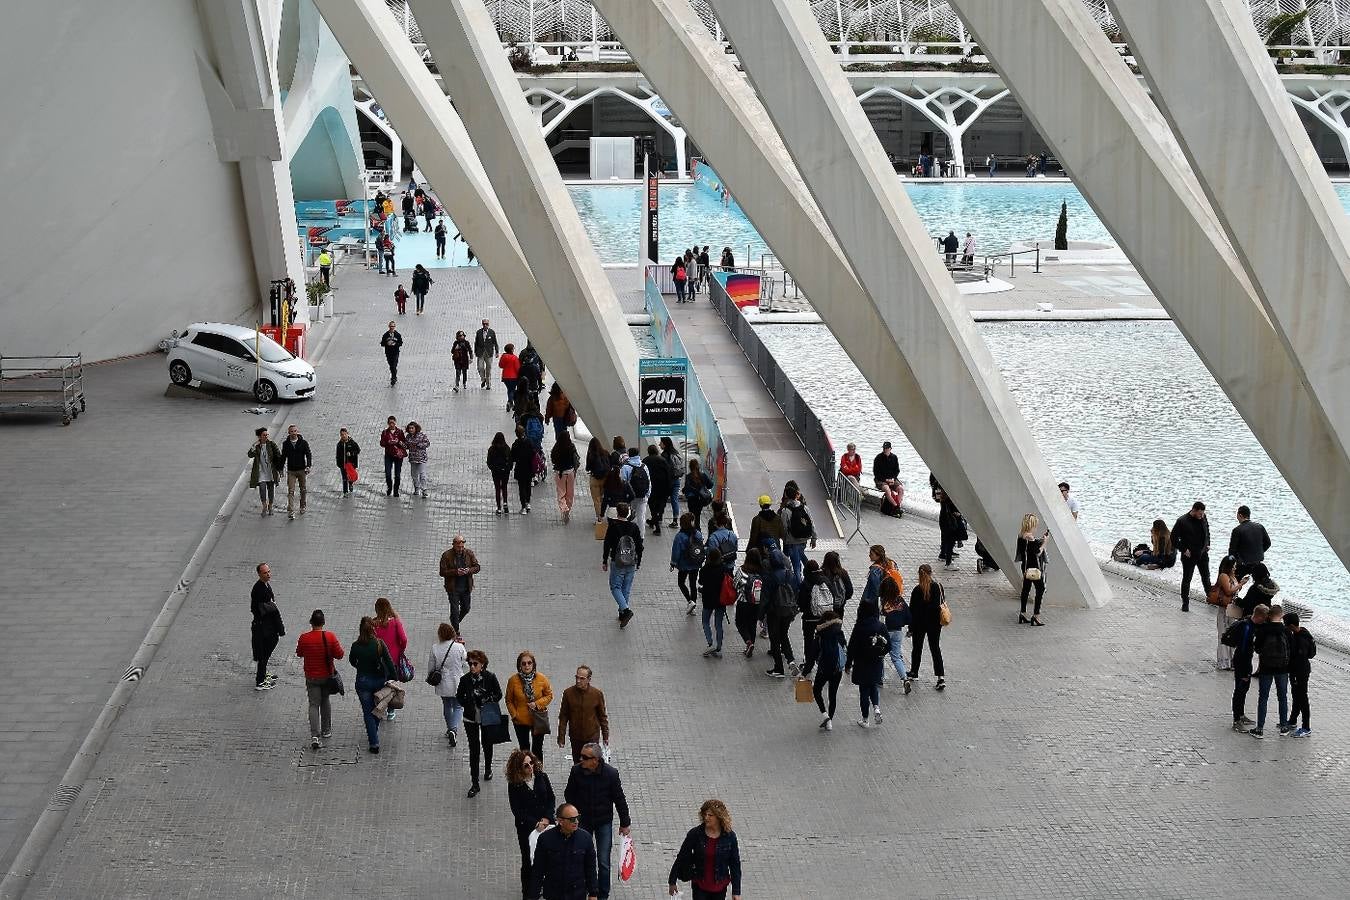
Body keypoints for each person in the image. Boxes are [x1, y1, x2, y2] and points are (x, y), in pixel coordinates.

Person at [565, 742, 631, 900]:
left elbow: (619, 799)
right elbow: (569, 795)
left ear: (596, 759)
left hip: (603, 822)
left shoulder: (611, 774)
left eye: (585, 757)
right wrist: (575, 815)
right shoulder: (576, 771)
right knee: (581, 857)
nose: (581, 760)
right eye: (581, 756)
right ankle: (585, 890)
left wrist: (625, 823)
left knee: (603, 861)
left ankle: (603, 894)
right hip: (583, 822)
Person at [667, 799, 743, 900]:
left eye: (710, 815)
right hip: (700, 885)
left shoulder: (729, 837)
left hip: (720, 887)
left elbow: (735, 864)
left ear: (719, 817)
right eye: (705, 814)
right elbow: (682, 857)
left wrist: (736, 891)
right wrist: (672, 881)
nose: (706, 817)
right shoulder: (695, 834)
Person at [508, 749, 557, 899]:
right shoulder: (515, 785)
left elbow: (551, 798)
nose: (530, 767)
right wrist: (535, 823)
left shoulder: (541, 776)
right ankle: (528, 893)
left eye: (531, 763)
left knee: (551, 858)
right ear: (519, 769)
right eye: (526, 765)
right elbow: (517, 810)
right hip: (527, 829)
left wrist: (547, 818)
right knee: (528, 860)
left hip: (547, 824)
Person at [457, 649, 505, 797]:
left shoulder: (490, 677)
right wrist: (468, 703)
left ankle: (488, 768)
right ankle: (475, 783)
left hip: (487, 716)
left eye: (475, 664)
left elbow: (499, 694)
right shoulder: (465, 680)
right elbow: (459, 696)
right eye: (470, 663)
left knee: (487, 743)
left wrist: (486, 700)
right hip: (470, 718)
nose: (471, 666)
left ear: (482, 665)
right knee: (474, 749)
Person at [295, 609, 343, 749]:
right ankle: (326, 730)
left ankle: (315, 735)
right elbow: (339, 655)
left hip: (311, 676)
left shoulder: (304, 638)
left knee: (313, 704)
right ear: (323, 622)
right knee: (325, 700)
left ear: (311, 622)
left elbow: (299, 653)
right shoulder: (330, 637)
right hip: (327, 676)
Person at [348, 616, 396, 754]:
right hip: (379, 682)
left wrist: (360, 666)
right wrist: (393, 678)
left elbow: (352, 661)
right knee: (377, 709)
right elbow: (389, 662)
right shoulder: (379, 644)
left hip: (363, 681)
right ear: (373, 628)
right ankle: (373, 734)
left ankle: (374, 742)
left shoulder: (356, 646)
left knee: (368, 712)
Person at [530, 803, 597, 900]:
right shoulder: (545, 839)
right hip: (554, 894)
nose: (576, 822)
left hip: (577, 894)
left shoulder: (585, 838)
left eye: (578, 817)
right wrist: (533, 895)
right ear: (560, 821)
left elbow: (590, 868)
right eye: (572, 819)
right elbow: (538, 869)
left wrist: (593, 893)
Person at [1247, 604, 1290, 738]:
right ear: (1281, 615)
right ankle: (1284, 727)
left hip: (1266, 668)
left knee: (1263, 697)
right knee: (1282, 697)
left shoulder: (1263, 629)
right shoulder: (1286, 630)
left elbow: (1258, 648)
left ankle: (1260, 729)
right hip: (1283, 668)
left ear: (1269, 616)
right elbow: (1291, 649)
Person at [845, 599, 887, 727]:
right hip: (876, 662)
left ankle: (865, 719)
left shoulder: (859, 627)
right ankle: (876, 707)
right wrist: (880, 653)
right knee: (873, 685)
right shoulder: (881, 626)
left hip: (862, 662)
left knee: (864, 690)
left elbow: (852, 646)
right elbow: (888, 645)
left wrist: (848, 664)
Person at [506, 651, 555, 761]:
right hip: (520, 721)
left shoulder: (542, 679)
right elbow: (509, 700)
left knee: (537, 750)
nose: (527, 666)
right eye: (524, 663)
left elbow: (549, 695)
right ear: (519, 665)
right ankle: (524, 775)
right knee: (524, 750)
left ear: (533, 664)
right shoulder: (513, 681)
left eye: (529, 663)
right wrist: (514, 714)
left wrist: (537, 704)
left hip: (538, 719)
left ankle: (538, 775)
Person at [557, 665, 609, 764]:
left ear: (589, 679)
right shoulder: (568, 693)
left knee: (591, 762)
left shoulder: (596, 694)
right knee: (578, 762)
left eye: (582, 678)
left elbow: (602, 716)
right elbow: (563, 716)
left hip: (592, 736)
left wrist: (605, 735)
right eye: (577, 677)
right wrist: (561, 736)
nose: (578, 681)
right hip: (576, 736)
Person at [602, 502, 643, 628]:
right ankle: (621, 613)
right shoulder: (634, 527)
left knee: (615, 587)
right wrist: (638, 561)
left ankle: (625, 610)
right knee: (626, 588)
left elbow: (607, 544)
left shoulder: (613, 526)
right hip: (631, 561)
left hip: (617, 561)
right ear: (628, 513)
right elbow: (640, 546)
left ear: (617, 512)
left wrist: (604, 560)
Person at [906, 564, 946, 691]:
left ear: (919, 574)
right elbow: (940, 603)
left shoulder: (917, 590)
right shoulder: (937, 587)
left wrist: (910, 628)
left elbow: (911, 610)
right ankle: (940, 677)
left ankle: (914, 672)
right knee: (935, 649)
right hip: (934, 624)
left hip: (919, 624)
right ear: (931, 573)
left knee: (917, 648)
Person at [428, 622, 468, 746]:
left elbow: (431, 667)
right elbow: (465, 664)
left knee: (447, 705)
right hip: (457, 682)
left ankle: (449, 728)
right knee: (458, 706)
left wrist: (429, 677)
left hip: (443, 683)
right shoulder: (459, 647)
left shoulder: (435, 648)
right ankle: (453, 729)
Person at [761, 542, 798, 679]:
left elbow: (765, 597)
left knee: (775, 639)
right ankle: (791, 660)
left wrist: (760, 615)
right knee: (784, 635)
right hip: (788, 610)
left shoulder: (770, 577)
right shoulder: (789, 574)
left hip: (774, 611)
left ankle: (778, 668)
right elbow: (795, 590)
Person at [1224, 605, 1261, 732]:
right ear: (1259, 616)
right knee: (1240, 690)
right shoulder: (1247, 627)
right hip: (1242, 662)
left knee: (1244, 689)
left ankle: (1241, 715)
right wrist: (1246, 671)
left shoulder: (1250, 624)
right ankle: (1236, 720)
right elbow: (1244, 649)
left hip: (1244, 660)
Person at [250, 562, 285, 691]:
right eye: (265, 573)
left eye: (269, 571)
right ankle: (260, 681)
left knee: (265, 653)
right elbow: (268, 610)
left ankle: (263, 674)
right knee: (263, 654)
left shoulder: (265, 586)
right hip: (264, 629)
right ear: (259, 574)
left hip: (268, 627)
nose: (268, 574)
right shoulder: (260, 590)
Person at [371, 597, 408, 718]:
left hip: (377, 661)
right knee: (391, 685)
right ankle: (391, 710)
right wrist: (400, 650)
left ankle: (379, 706)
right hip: (393, 659)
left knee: (379, 684)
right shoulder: (395, 622)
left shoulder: (373, 624)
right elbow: (403, 639)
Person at [795, 559, 832, 676]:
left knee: (809, 640)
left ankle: (808, 663)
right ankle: (824, 663)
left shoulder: (805, 583)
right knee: (824, 640)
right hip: (824, 617)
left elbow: (801, 602)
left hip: (809, 618)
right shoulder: (825, 580)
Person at [1172, 501, 1211, 611]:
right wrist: (1183, 549)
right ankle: (1185, 602)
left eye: (1203, 514)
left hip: (1202, 553)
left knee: (1206, 576)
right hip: (1189, 555)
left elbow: (1207, 530)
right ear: (1193, 510)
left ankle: (1210, 597)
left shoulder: (1203, 517)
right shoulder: (1182, 521)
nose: (1201, 516)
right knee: (1187, 579)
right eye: (1199, 514)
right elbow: (1173, 538)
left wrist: (1208, 544)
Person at [1212, 556, 1247, 671]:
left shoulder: (1232, 576)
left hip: (1232, 608)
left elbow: (1234, 590)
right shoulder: (1223, 576)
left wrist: (1239, 585)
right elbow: (1228, 591)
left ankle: (1231, 661)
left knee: (1232, 635)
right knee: (1223, 634)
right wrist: (1241, 584)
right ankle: (1223, 661)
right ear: (1229, 566)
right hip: (1224, 609)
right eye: (1234, 565)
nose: (1235, 567)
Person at [438, 534, 480, 631]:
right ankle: (456, 631)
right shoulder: (446, 555)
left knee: (466, 608)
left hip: (466, 587)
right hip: (453, 588)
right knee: (455, 611)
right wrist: (456, 572)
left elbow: (477, 567)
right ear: (453, 545)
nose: (460, 549)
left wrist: (468, 570)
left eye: (462, 547)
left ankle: (454, 622)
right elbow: (442, 572)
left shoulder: (469, 553)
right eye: (458, 547)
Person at [1284, 612, 1316, 738]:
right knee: (1296, 696)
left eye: (1286, 625)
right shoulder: (1303, 632)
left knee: (1302, 698)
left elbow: (1300, 658)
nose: (1285, 627)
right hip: (1299, 670)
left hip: (1300, 671)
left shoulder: (1300, 639)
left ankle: (1306, 727)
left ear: (1291, 625)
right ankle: (1292, 721)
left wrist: (1295, 674)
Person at [1015, 514, 1049, 625]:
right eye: (1035, 525)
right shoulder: (1029, 536)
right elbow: (1037, 552)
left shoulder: (1021, 535)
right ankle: (1036, 615)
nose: (1036, 528)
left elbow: (1028, 549)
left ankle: (1023, 613)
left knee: (1026, 589)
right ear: (1031, 525)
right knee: (1041, 589)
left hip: (1025, 567)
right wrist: (1045, 543)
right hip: (1034, 568)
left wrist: (1040, 540)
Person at [671, 513, 705, 617]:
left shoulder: (680, 536)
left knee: (681, 583)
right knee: (693, 584)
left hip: (684, 564)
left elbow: (676, 551)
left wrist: (673, 563)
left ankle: (690, 601)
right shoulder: (698, 534)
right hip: (695, 563)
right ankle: (693, 605)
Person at [781, 489, 818, 582]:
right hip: (803, 539)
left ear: (786, 496)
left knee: (796, 566)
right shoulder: (804, 508)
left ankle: (799, 585)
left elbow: (784, 527)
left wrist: (785, 539)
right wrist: (814, 538)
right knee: (800, 555)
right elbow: (812, 523)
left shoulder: (785, 511)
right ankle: (812, 570)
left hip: (792, 541)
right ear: (796, 496)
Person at [698, 549, 728, 658]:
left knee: (705, 621)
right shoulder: (723, 569)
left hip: (708, 599)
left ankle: (710, 642)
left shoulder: (705, 569)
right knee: (718, 624)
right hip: (721, 600)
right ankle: (719, 645)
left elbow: (700, 582)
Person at [1228, 505, 1271, 579]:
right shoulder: (1260, 527)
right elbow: (1268, 543)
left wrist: (1230, 565)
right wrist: (1259, 551)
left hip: (1242, 564)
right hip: (1257, 562)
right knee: (1259, 584)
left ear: (1240, 515)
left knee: (1235, 584)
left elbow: (1232, 551)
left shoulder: (1237, 530)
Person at [247, 426, 283, 516]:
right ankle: (264, 506)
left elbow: (278, 456)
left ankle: (270, 506)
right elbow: (250, 455)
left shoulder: (271, 444)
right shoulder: (257, 446)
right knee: (262, 489)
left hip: (270, 471)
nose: (266, 436)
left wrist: (280, 469)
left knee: (271, 489)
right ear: (259, 436)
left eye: (267, 434)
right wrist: (254, 446)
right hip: (261, 471)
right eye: (264, 435)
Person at [642, 445, 673, 535]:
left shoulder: (645, 460)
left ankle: (656, 525)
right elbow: (668, 474)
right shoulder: (662, 460)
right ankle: (656, 519)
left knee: (652, 507)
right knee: (660, 505)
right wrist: (669, 487)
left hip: (651, 487)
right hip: (663, 487)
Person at [620, 448, 651, 535]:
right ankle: (641, 536)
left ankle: (628, 534)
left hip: (630, 496)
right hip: (643, 495)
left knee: (628, 515)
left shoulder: (626, 467)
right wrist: (647, 494)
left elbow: (623, 482)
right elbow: (649, 481)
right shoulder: (644, 466)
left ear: (629, 454)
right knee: (641, 516)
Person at [511, 424, 536, 514]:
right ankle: (528, 503)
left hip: (520, 468)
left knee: (521, 488)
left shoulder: (515, 444)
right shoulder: (529, 442)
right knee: (528, 486)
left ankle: (523, 507)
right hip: (529, 467)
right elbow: (533, 453)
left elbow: (512, 457)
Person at [585, 437, 611, 523]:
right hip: (605, 479)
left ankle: (599, 518)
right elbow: (610, 465)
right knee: (603, 498)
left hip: (595, 479)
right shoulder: (606, 453)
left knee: (596, 499)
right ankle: (603, 514)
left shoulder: (591, 454)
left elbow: (587, 468)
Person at [599, 458, 634, 523]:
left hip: (612, 511)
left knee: (613, 530)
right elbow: (632, 495)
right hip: (625, 510)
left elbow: (605, 501)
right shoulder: (625, 483)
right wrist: (626, 502)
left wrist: (601, 514)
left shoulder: (608, 485)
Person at [820, 551, 853, 619]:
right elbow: (849, 590)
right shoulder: (843, 573)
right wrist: (843, 599)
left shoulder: (821, 574)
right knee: (837, 624)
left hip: (825, 605)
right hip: (839, 605)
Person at [379, 415, 406, 497]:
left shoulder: (400, 432)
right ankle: (389, 487)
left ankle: (396, 490)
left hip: (398, 456)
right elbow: (381, 443)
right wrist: (388, 442)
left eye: (393, 423)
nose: (391, 425)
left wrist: (398, 442)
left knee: (397, 475)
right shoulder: (385, 432)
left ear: (395, 423)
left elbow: (404, 443)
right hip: (388, 455)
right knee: (388, 474)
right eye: (390, 423)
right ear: (388, 423)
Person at [402, 421, 430, 498]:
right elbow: (407, 446)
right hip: (413, 459)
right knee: (414, 475)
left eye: (412, 428)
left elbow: (427, 443)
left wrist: (418, 445)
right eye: (409, 428)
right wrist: (402, 445)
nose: (411, 429)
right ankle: (416, 489)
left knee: (422, 475)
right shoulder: (408, 437)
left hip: (421, 458)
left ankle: (424, 490)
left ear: (416, 428)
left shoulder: (422, 435)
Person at [488, 431, 514, 516]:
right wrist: (508, 468)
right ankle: (505, 504)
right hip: (505, 471)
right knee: (504, 487)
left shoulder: (492, 449)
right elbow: (510, 460)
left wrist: (492, 468)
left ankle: (499, 508)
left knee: (497, 488)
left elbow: (489, 461)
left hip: (496, 472)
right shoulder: (507, 448)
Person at [935, 488, 961, 569]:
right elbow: (954, 512)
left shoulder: (943, 496)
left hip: (943, 520)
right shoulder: (950, 500)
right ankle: (948, 563)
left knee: (945, 538)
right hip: (950, 522)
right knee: (950, 541)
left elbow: (937, 497)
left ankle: (943, 555)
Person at [475, 319, 500, 389]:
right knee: (480, 367)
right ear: (482, 324)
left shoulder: (492, 332)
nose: (485, 325)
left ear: (488, 324)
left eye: (486, 324)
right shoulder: (479, 332)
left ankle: (488, 384)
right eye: (484, 324)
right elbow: (476, 343)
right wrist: (476, 352)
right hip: (480, 353)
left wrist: (497, 352)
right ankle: (483, 379)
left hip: (489, 353)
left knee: (488, 369)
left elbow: (495, 342)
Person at [335, 427, 359, 496]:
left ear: (347, 434)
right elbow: (337, 455)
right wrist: (338, 464)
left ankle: (350, 484)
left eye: (344, 434)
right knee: (344, 478)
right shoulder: (339, 444)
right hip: (343, 464)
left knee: (350, 477)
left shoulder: (352, 443)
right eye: (342, 435)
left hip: (351, 464)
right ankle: (345, 492)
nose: (343, 436)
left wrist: (351, 454)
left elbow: (358, 450)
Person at [379, 321, 403, 386]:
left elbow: (400, 343)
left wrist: (395, 344)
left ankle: (393, 377)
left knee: (394, 365)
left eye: (393, 326)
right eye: (391, 326)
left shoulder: (397, 335)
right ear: (389, 327)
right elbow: (382, 343)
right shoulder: (385, 335)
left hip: (395, 352)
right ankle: (394, 375)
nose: (392, 328)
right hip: (388, 353)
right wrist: (387, 343)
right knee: (391, 365)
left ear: (395, 327)